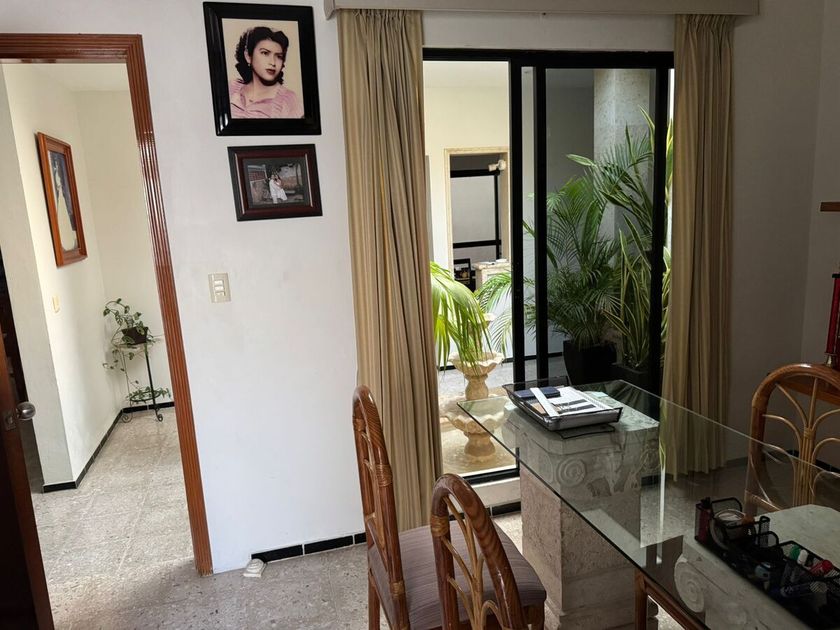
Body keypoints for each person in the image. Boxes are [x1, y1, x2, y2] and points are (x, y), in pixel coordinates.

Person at [228, 26, 303, 119]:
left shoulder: (289, 101)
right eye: (265, 53)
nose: (273, 62)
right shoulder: (231, 88)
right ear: (248, 56)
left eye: (279, 56)